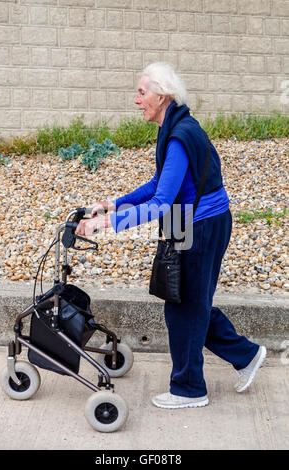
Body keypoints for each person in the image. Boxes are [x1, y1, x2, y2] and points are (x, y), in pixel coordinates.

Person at [77, 62, 266, 409]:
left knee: (184, 308)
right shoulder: (175, 125)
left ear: (161, 96)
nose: (136, 100)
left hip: (201, 223)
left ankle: (189, 389)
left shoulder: (179, 135)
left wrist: (103, 224)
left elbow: (161, 202)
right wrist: (114, 203)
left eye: (142, 93)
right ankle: (247, 355)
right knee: (187, 301)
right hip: (188, 218)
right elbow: (160, 184)